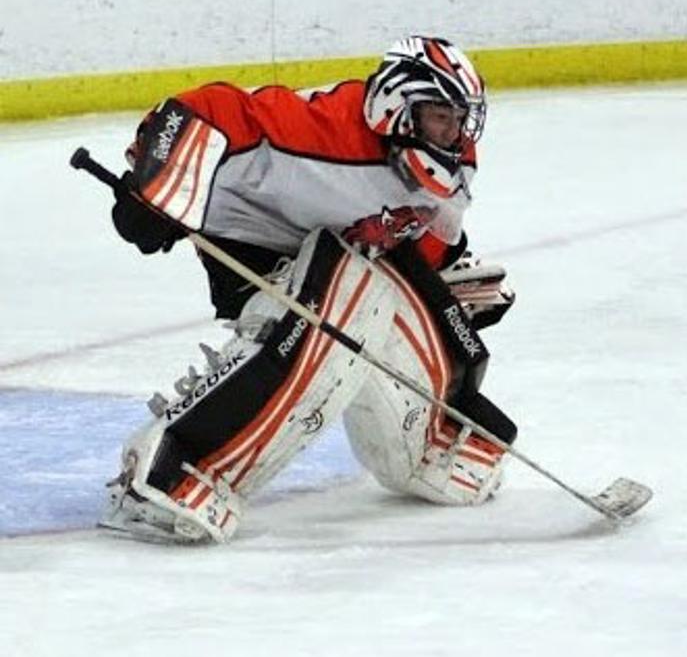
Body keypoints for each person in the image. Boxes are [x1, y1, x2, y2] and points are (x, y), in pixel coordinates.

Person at [101, 36, 517, 544]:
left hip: (335, 251)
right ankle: (171, 466)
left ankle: (427, 444)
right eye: (439, 117)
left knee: (377, 298)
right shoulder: (324, 134)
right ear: (398, 110)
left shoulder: (456, 161)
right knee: (344, 305)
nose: (453, 135)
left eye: (460, 120)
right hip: (250, 244)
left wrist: (448, 290)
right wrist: (158, 181)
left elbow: (419, 239)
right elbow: (205, 110)